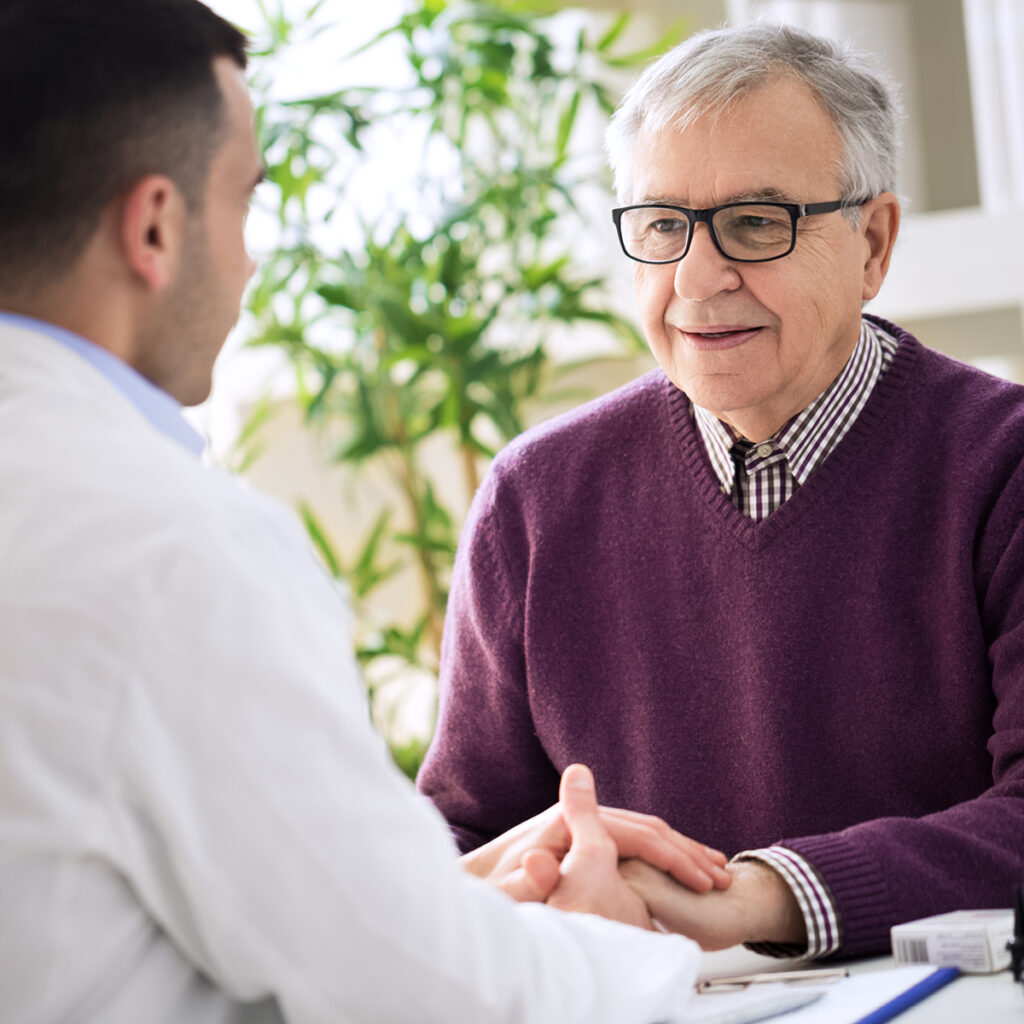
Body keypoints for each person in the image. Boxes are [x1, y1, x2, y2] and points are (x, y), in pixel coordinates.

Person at [0, 1, 736, 1021]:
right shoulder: (172, 543)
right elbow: (435, 999)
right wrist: (601, 944)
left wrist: (426, 900)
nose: (251, 261)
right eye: (244, 203)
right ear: (156, 226)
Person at [418, 21, 1024, 961]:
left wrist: (755, 897)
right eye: (663, 225)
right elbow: (461, 838)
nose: (696, 277)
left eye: (755, 222)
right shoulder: (533, 500)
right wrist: (516, 886)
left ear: (873, 243)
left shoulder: (1004, 466)